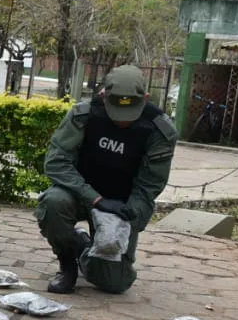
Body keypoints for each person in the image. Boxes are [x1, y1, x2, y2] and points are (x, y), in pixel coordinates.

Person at [37, 64, 177, 295]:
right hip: (80, 194)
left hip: (121, 205)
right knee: (53, 203)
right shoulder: (83, 115)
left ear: (146, 98)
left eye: (130, 112)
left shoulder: (159, 129)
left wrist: (129, 215)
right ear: (103, 95)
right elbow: (56, 163)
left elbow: (150, 184)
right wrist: (96, 200)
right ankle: (67, 265)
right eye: (115, 110)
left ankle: (82, 247)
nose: (122, 121)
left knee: (114, 283)